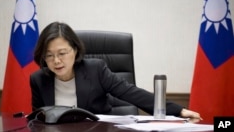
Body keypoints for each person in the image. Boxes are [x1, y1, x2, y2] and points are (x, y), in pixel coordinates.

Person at [30, 21, 202, 122]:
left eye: (62, 53)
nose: (56, 61)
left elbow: (130, 92)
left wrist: (178, 110)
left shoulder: (95, 69)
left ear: (75, 50)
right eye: (49, 55)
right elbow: (39, 119)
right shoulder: (38, 79)